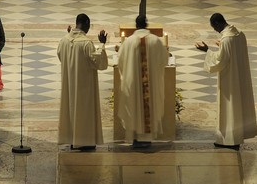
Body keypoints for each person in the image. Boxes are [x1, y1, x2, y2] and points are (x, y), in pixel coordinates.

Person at [196, 13, 257, 147]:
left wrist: (207, 51)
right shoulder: (240, 34)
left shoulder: (227, 39)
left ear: (218, 24)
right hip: (240, 77)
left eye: (214, 28)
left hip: (229, 80)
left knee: (230, 107)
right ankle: (237, 136)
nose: (215, 31)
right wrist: (221, 46)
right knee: (238, 106)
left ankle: (229, 140)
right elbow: (234, 53)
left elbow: (221, 61)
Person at [115, 17, 172, 147]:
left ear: (136, 25)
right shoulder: (155, 41)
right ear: (146, 25)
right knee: (148, 106)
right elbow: (164, 60)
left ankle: (135, 138)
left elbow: (121, 63)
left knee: (134, 107)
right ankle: (146, 138)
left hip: (133, 83)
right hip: (150, 85)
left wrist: (128, 75)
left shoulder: (128, 42)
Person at [57, 15, 110, 149]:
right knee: (83, 111)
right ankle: (84, 142)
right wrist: (102, 44)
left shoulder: (64, 40)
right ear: (86, 23)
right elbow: (99, 63)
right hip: (84, 86)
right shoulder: (86, 43)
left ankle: (73, 140)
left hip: (69, 84)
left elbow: (61, 56)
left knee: (71, 109)